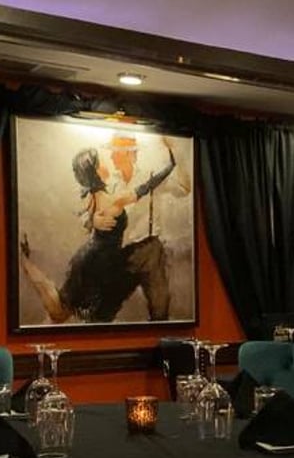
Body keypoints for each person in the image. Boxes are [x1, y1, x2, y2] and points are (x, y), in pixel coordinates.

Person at [20, 144, 177, 323]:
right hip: (96, 262)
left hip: (94, 258)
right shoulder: (114, 200)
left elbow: (84, 216)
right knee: (62, 311)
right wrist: (170, 167)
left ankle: (25, 262)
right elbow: (146, 187)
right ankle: (24, 261)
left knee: (62, 310)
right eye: (101, 163)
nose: (106, 163)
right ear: (96, 172)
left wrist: (92, 220)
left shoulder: (91, 199)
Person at [93, 133, 192, 320]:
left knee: (160, 309)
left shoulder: (150, 176)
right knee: (104, 309)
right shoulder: (109, 183)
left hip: (149, 249)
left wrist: (176, 151)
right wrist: (94, 221)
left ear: (128, 154)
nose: (112, 156)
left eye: (116, 152)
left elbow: (184, 188)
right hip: (120, 252)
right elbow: (92, 212)